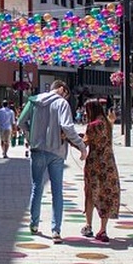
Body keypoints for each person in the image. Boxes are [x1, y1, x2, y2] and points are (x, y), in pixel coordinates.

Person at [18, 80, 87, 244]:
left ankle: (34, 225)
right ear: (62, 89)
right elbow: (67, 127)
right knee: (57, 191)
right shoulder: (62, 104)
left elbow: (21, 122)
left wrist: (30, 136)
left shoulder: (34, 100)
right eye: (66, 94)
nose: (66, 97)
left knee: (37, 187)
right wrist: (81, 146)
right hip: (56, 151)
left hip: (37, 149)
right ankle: (56, 230)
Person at [80, 100, 121, 243]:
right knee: (106, 194)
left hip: (94, 164)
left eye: (87, 110)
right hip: (109, 164)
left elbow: (84, 143)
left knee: (91, 193)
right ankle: (103, 229)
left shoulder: (92, 126)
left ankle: (88, 226)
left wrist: (67, 137)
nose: (85, 114)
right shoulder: (107, 124)